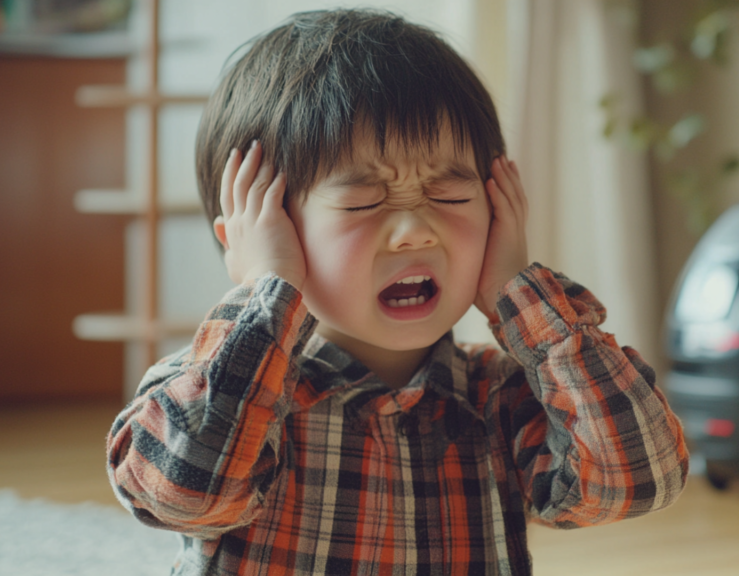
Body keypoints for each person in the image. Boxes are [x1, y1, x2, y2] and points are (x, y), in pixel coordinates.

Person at [106, 8, 688, 575]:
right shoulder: (215, 393)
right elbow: (179, 495)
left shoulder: (499, 399)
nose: (415, 230)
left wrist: (517, 290)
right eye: (362, 202)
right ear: (262, 237)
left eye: (452, 197)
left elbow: (640, 479)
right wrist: (268, 292)